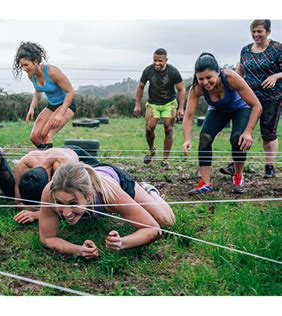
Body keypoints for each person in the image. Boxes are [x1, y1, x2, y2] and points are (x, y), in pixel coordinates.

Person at [38, 162, 175, 259]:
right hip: (86, 179)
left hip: (116, 179)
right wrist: (78, 250)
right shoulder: (51, 191)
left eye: (73, 203)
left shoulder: (110, 194)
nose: (66, 213)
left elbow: (153, 229)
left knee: (166, 220)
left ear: (90, 196)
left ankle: (149, 191)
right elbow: (47, 238)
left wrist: (122, 242)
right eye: (60, 203)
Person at [182, 53, 262, 195]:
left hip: (240, 108)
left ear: (218, 72)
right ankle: (205, 183)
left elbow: (257, 105)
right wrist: (187, 139)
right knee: (205, 137)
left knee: (237, 137)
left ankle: (238, 177)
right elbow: (188, 116)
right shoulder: (196, 89)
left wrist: (248, 131)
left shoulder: (231, 78)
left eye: (209, 78)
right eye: (201, 79)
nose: (205, 82)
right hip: (218, 110)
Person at [224, 20, 281, 178]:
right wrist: (231, 86)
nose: (256, 34)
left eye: (260, 31)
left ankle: (269, 166)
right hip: (248, 97)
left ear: (268, 32)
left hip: (272, 97)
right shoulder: (245, 51)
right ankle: (235, 164)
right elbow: (240, 71)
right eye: (253, 31)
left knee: (268, 132)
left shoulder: (277, 49)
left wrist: (276, 76)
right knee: (241, 130)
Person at [13, 42, 77, 149]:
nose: (24, 69)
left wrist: (60, 114)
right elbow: (38, 92)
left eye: (26, 65)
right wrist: (31, 108)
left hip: (67, 104)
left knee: (47, 135)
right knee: (35, 137)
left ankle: (48, 163)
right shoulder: (31, 75)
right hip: (52, 104)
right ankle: (45, 157)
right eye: (22, 66)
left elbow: (70, 92)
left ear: (36, 61)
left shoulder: (52, 72)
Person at [13, 145, 97, 224]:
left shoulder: (63, 166)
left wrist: (37, 214)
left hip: (74, 154)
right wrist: (29, 207)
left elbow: (66, 201)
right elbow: (18, 202)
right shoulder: (21, 166)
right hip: (53, 155)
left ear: (49, 182)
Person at [134, 48, 186, 169]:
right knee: (149, 128)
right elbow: (140, 86)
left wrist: (181, 108)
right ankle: (151, 150)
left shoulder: (173, 72)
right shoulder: (148, 70)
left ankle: (165, 160)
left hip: (169, 103)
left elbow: (181, 89)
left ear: (166, 60)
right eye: (155, 60)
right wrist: (137, 105)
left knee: (168, 128)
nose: (157, 63)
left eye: (160, 61)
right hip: (153, 103)